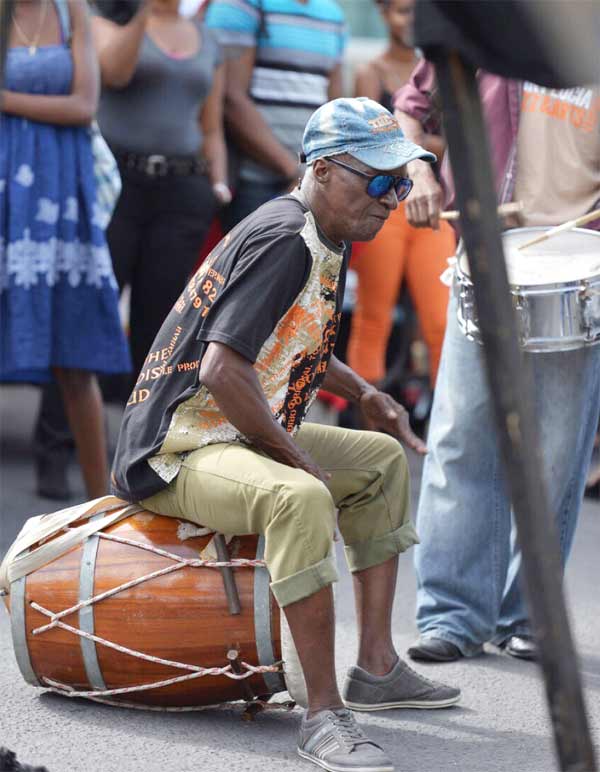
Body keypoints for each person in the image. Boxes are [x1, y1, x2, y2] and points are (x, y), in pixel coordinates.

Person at [111, 97, 460, 772]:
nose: (391, 200)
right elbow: (221, 369)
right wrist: (296, 457)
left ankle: (378, 666)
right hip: (177, 448)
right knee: (301, 497)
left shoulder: (325, 232)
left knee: (381, 460)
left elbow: (292, 339)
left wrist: (366, 393)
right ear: (323, 170)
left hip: (226, 433)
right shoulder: (285, 239)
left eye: (398, 184)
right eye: (378, 182)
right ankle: (323, 715)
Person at [395, 62, 600, 662]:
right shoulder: (482, 30)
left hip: (580, 266)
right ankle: (453, 615)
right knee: (461, 438)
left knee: (555, 456)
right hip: (486, 256)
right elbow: (410, 108)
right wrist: (419, 169)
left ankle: (529, 614)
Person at [30, 0, 228, 499]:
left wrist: (218, 183)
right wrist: (141, 14)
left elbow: (211, 127)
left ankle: (141, 456)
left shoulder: (207, 37)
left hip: (182, 190)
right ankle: (55, 449)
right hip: (118, 185)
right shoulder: (104, 21)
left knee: (160, 329)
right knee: (85, 315)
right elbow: (114, 73)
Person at [0, 0, 131, 499]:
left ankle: (103, 511)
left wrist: (5, 99)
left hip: (60, 192)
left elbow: (83, 106)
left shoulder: (70, 9)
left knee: (75, 355)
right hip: (7, 187)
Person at [348, 0, 455, 388]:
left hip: (434, 208)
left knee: (443, 321)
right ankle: (366, 415)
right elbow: (369, 145)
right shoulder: (370, 72)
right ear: (383, 14)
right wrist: (426, 144)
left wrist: (408, 143)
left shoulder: (439, 70)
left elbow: (456, 143)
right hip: (383, 206)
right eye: (401, 11)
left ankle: (445, 415)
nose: (410, 20)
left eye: (416, 11)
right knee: (373, 318)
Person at [205, 0, 347, 230]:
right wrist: (294, 170)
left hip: (312, 183)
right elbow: (230, 98)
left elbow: (334, 109)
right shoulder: (239, 5)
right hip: (252, 182)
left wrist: (314, 174)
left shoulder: (333, 15)